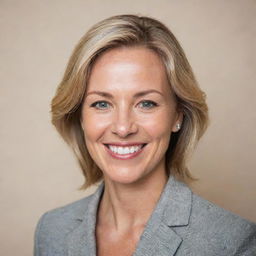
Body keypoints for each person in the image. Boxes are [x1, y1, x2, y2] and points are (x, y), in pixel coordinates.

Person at [34, 14, 256, 256]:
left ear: (177, 115)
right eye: (101, 104)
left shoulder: (234, 243)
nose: (123, 127)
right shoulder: (52, 229)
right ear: (80, 116)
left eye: (146, 103)